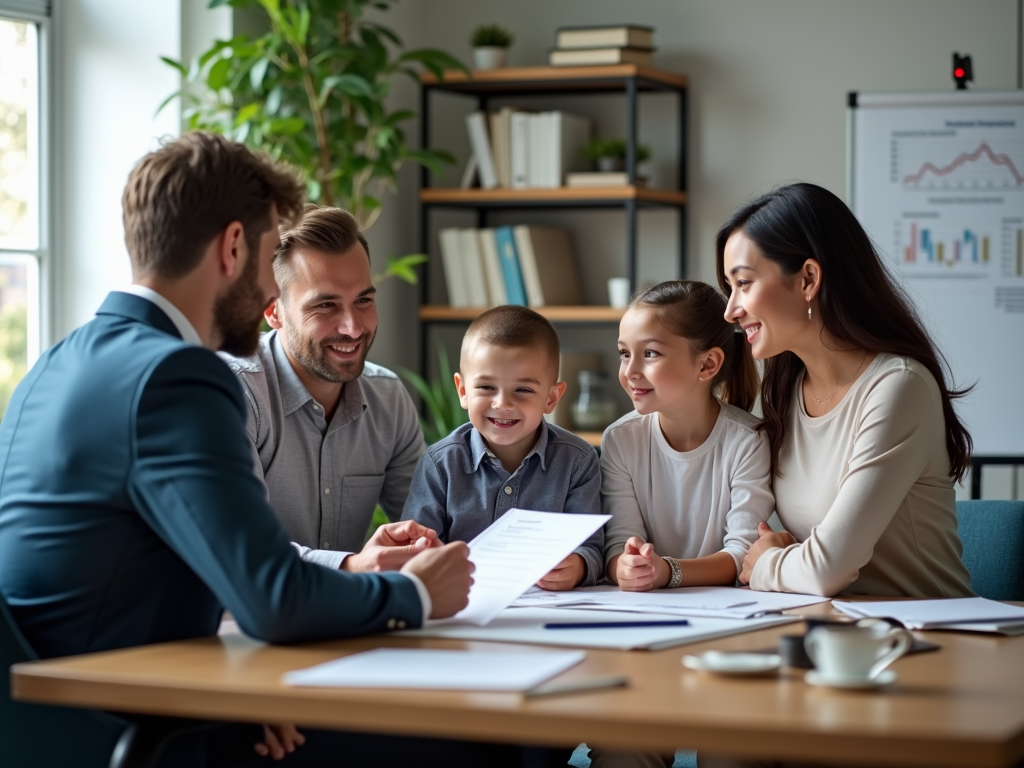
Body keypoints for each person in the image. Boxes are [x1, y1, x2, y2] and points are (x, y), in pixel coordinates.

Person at [0, 131, 518, 767]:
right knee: (477, 738)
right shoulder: (179, 374)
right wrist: (414, 595)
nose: (268, 294)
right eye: (270, 253)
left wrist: (241, 679)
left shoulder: (53, 364)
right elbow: (273, 597)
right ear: (234, 247)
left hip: (56, 715)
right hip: (131, 722)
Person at [717, 182, 973, 598]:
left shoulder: (897, 387)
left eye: (743, 283)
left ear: (808, 279)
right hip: (834, 630)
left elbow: (826, 570)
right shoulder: (785, 390)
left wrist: (765, 563)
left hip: (930, 636)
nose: (730, 309)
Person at [222, 204, 428, 573]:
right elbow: (239, 551)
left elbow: (432, 528)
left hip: (348, 623)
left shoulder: (387, 398)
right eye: (325, 305)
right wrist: (350, 568)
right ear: (272, 310)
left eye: (363, 300)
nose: (352, 327)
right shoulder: (234, 393)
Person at [402, 305, 604, 591]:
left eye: (523, 390)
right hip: (460, 605)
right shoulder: (440, 463)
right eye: (485, 387)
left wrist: (578, 566)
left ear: (551, 397)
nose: (503, 404)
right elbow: (414, 549)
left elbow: (592, 548)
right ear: (462, 391)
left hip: (549, 608)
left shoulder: (578, 461)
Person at [603, 280, 774, 592]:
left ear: (707, 363)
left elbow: (743, 555)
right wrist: (626, 567)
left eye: (650, 353)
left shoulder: (748, 441)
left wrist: (667, 572)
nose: (630, 371)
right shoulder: (619, 440)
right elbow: (618, 544)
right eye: (624, 353)